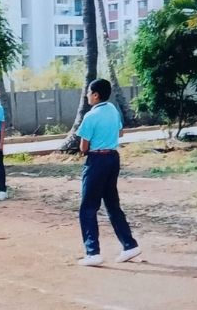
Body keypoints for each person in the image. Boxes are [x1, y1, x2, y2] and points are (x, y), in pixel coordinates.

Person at [75, 79, 140, 267]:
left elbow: (83, 147)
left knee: (88, 208)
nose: (87, 96)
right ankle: (129, 245)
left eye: (89, 92)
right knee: (112, 204)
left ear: (96, 95)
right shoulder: (112, 109)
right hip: (113, 158)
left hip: (97, 160)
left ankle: (92, 252)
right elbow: (120, 133)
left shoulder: (90, 116)